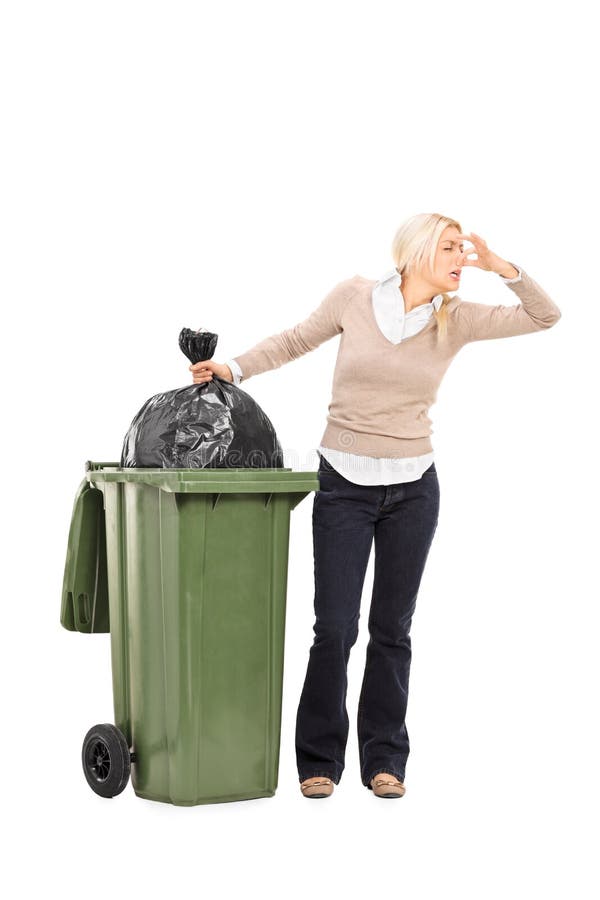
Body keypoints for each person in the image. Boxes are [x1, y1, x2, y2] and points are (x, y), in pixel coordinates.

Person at [189, 212, 561, 800]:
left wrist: (501, 267)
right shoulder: (354, 297)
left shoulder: (456, 318)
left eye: (464, 251)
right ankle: (319, 761)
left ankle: (384, 759)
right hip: (344, 483)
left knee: (393, 629)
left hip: (414, 488)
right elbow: (294, 341)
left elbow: (545, 315)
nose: (461, 259)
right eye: (451, 248)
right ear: (414, 252)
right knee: (334, 628)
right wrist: (231, 369)